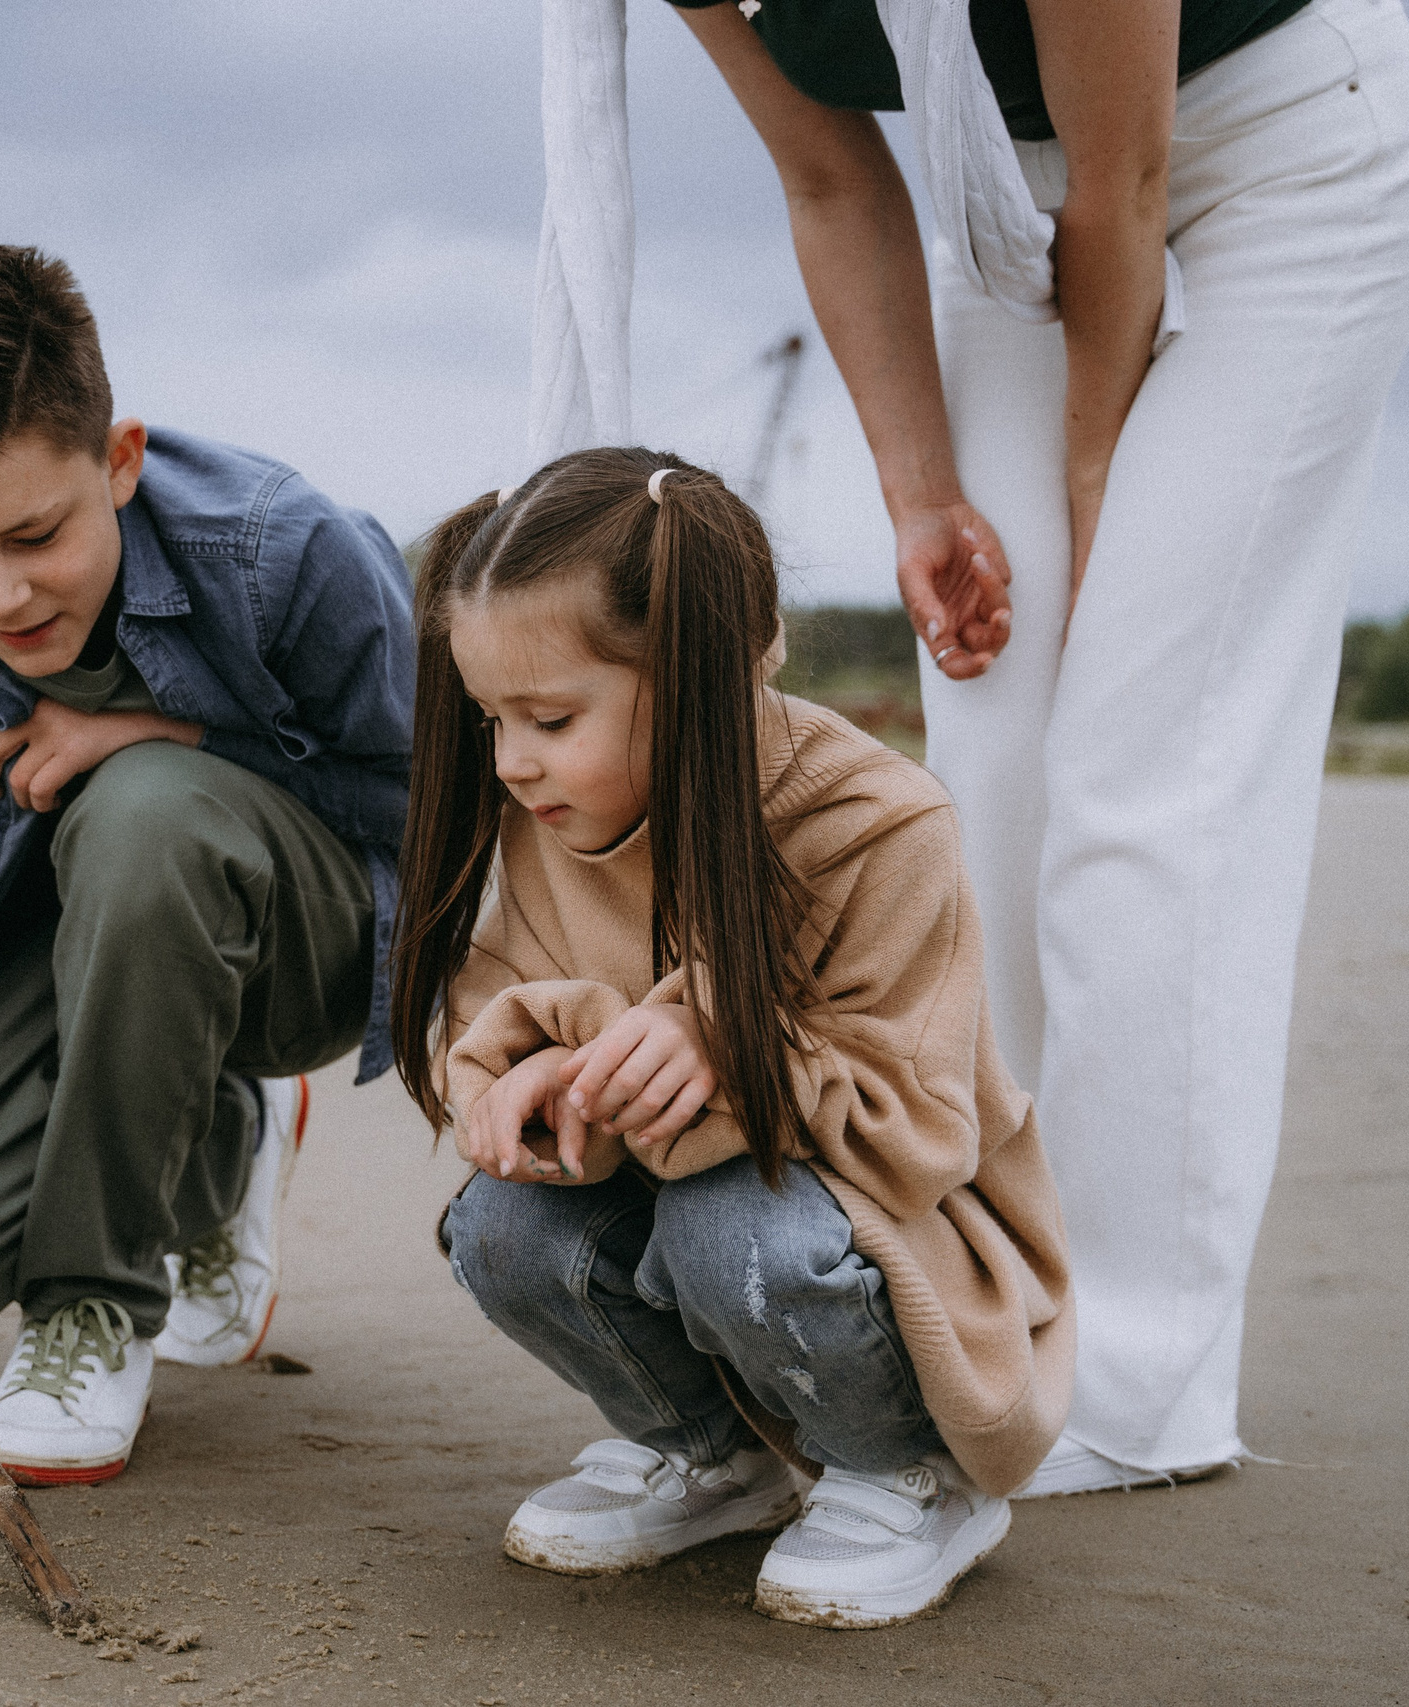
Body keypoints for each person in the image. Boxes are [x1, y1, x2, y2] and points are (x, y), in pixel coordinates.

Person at [607, 0, 1409, 1492]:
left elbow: (1127, 177)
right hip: (1007, 199)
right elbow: (830, 176)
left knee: (1142, 763)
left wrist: (1092, 457)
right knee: (986, 761)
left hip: (1285, 155)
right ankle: (998, 1300)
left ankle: (1133, 1381)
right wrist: (921, 495)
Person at [391, 447, 1071, 1628]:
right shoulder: (546, 816)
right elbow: (487, 1010)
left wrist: (732, 1049)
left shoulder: (875, 821)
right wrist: (518, 1078)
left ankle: (903, 1470)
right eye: (491, 718)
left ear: (697, 673)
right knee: (497, 1227)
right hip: (674, 1200)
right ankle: (712, 1456)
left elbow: (920, 1130)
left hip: (883, 1226)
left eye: (550, 718)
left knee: (728, 1225)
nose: (509, 762)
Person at [0, 244, 414, 1485]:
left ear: (118, 461)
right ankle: (218, 1132)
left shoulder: (280, 546)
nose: (0, 596)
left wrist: (167, 735)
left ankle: (96, 1309)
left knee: (147, 809)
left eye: (34, 534)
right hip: (80, 937)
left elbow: (442, 805)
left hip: (308, 945)